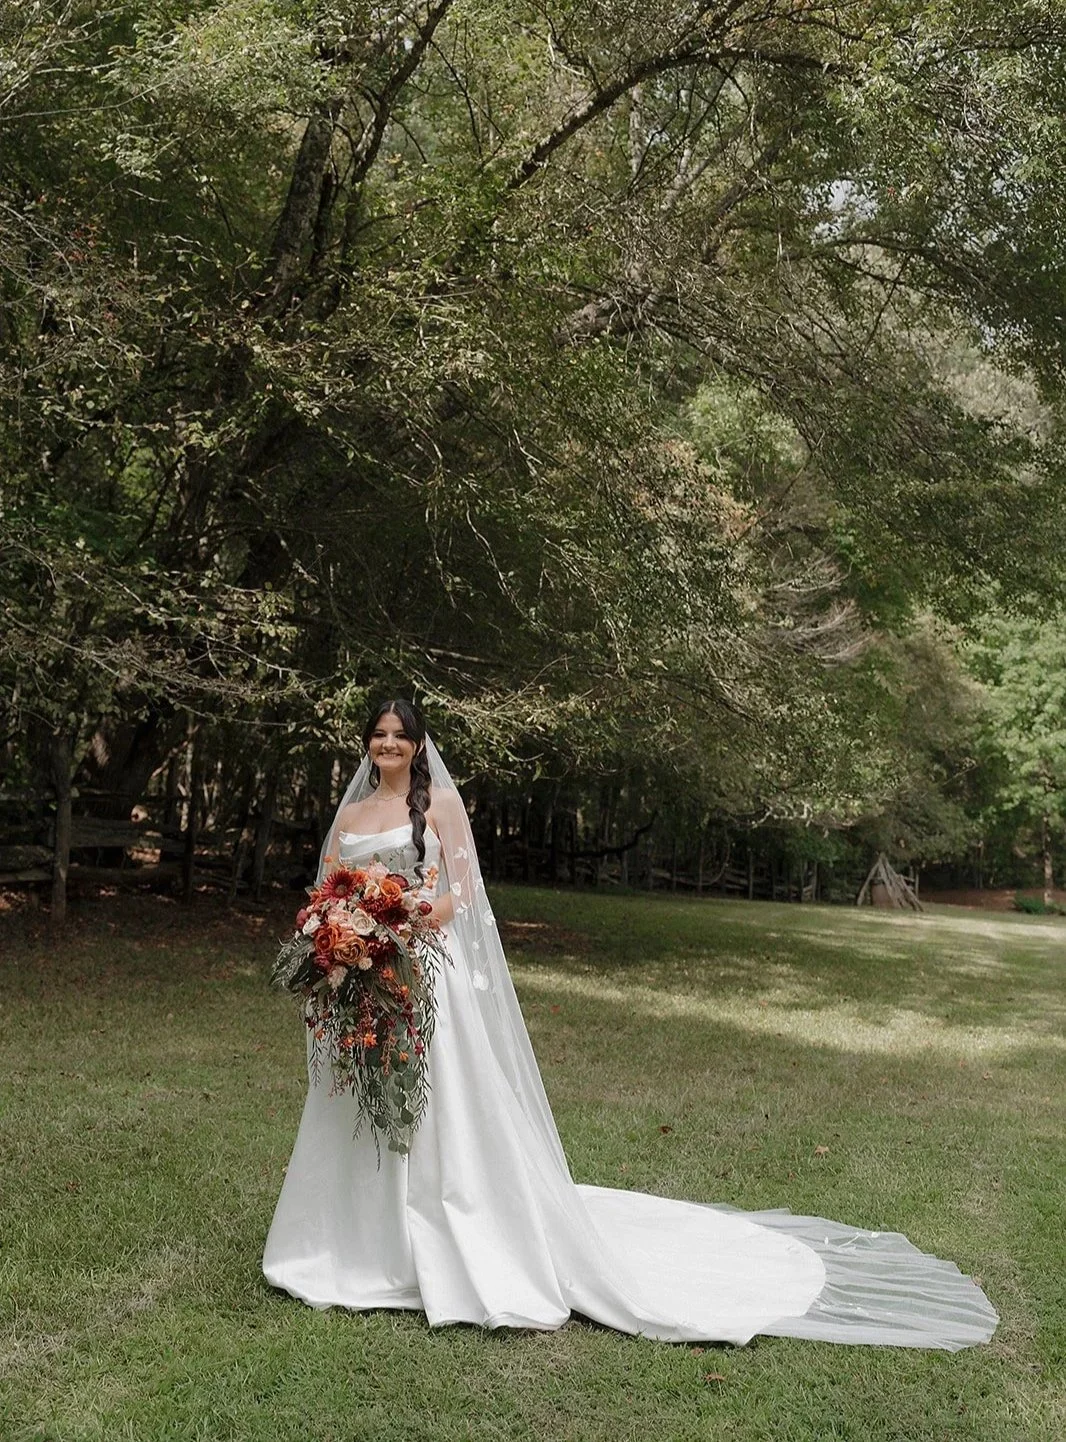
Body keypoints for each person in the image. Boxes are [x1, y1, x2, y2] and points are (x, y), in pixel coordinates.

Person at [262, 698, 998, 1347]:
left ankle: (445, 1237)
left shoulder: (442, 807)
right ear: (368, 743)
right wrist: (344, 933)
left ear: (418, 743)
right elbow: (327, 890)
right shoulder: (351, 816)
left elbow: (464, 893)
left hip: (426, 968)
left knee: (436, 1102)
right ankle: (358, 1246)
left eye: (400, 734)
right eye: (379, 734)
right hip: (363, 970)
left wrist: (407, 918)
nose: (388, 744)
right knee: (358, 1092)